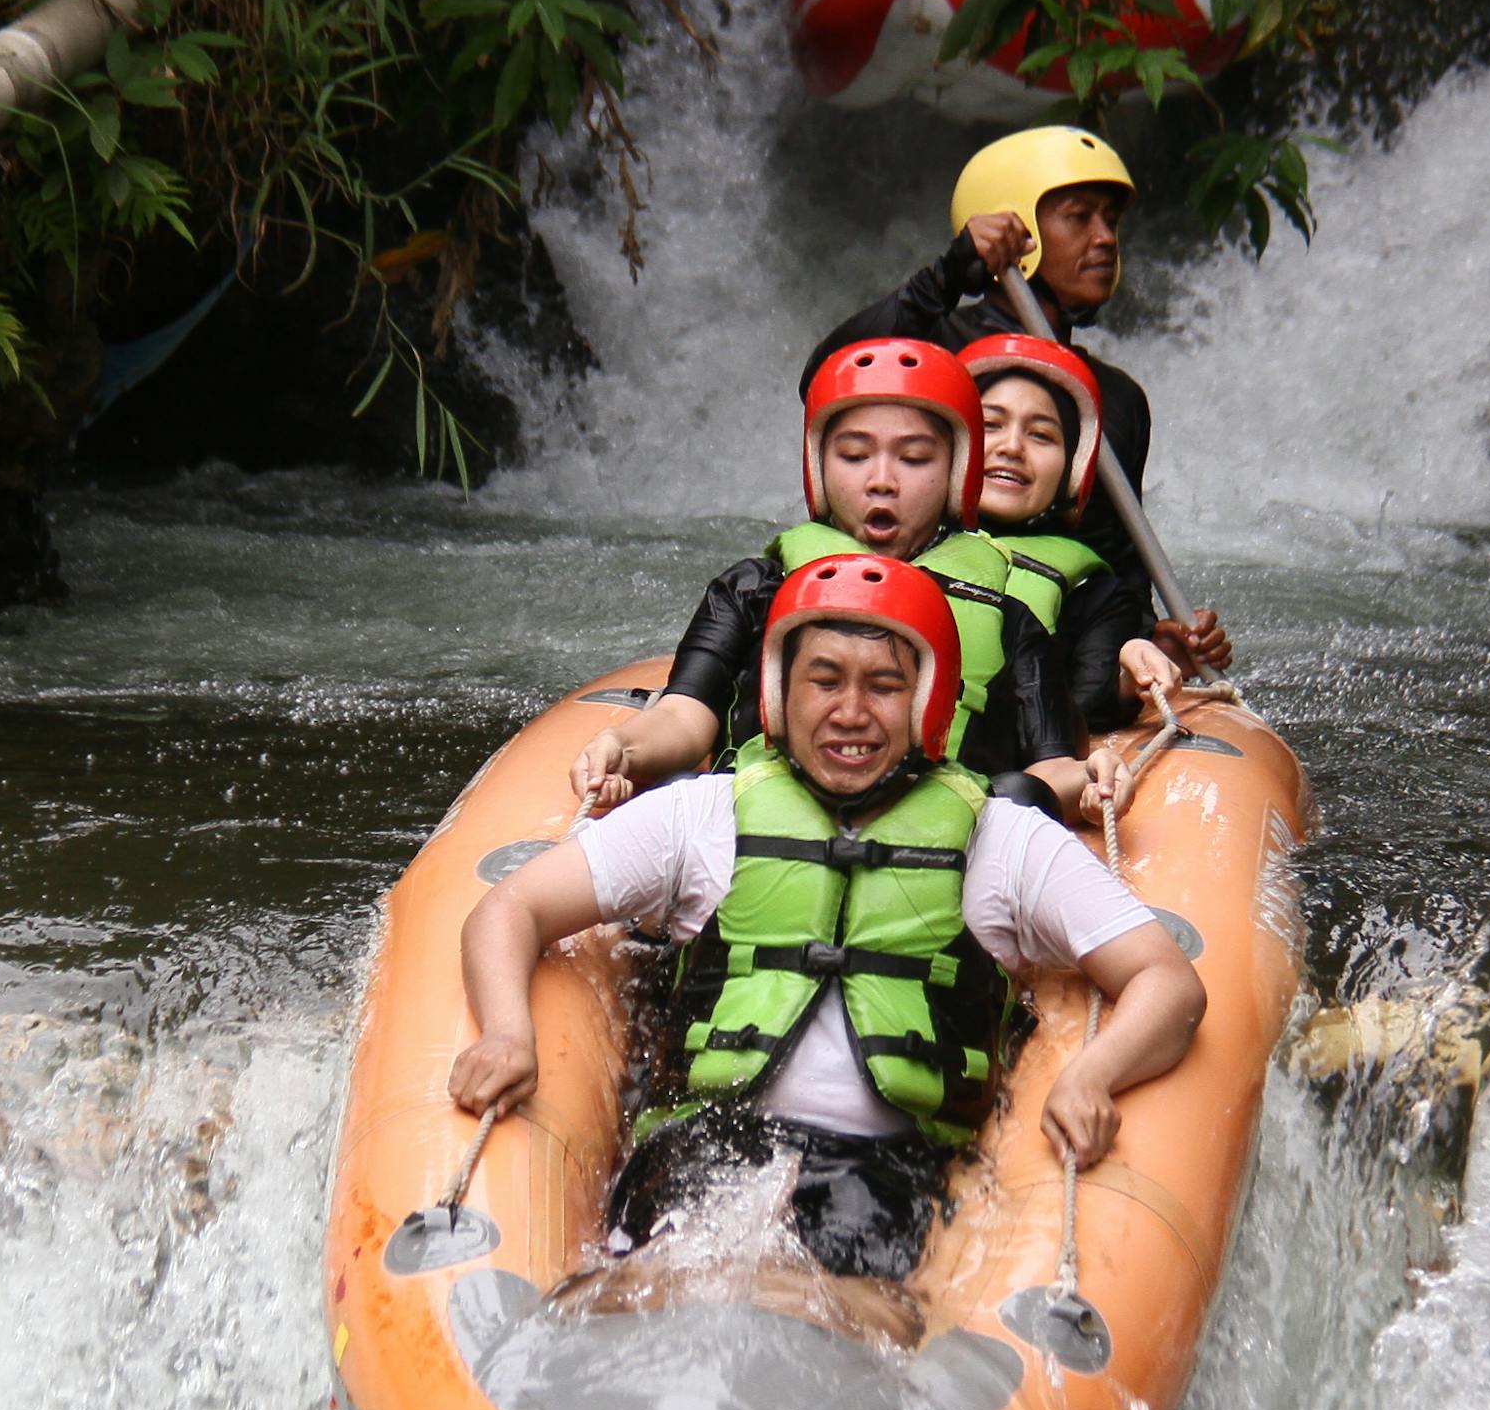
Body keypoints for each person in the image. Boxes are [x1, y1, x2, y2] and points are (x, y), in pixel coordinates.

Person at [450, 555, 1207, 1282]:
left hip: (891, 1174)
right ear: (781, 693)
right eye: (824, 680)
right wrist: (509, 1033)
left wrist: (1092, 1076)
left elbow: (1165, 983)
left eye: (883, 684)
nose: (852, 712)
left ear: (927, 699)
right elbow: (510, 908)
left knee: (835, 1317)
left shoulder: (1002, 838)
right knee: (630, 1302)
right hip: (699, 1150)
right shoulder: (701, 814)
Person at [572, 337, 1094, 819]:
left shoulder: (1008, 617)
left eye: (913, 458)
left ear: (959, 474)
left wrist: (1090, 780)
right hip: (768, 833)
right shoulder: (754, 589)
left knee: (1019, 799)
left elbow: (1048, 767)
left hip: (938, 848)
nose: (881, 481)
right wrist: (625, 748)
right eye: (854, 455)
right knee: (677, 793)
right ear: (819, 466)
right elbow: (687, 717)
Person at [802, 126, 1232, 673]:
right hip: (900, 624)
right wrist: (948, 274)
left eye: (1111, 221)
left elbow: (1116, 563)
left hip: (1043, 650)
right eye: (1080, 218)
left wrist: (1152, 642)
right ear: (1017, 230)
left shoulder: (1115, 398)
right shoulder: (928, 349)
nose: (1105, 239)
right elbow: (824, 379)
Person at [964, 331, 1175, 734]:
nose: (1012, 447)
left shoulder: (1096, 593)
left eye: (1041, 435)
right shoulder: (897, 546)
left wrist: (1128, 681)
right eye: (990, 424)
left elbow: (1081, 713)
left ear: (1072, 468)